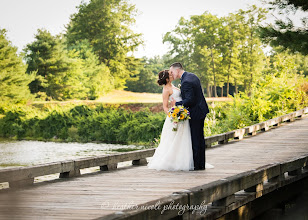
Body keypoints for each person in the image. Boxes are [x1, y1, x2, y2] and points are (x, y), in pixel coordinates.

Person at [147, 69, 213, 171]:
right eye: (170, 74)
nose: (172, 75)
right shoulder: (166, 90)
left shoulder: (175, 86)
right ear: (167, 78)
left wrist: (179, 111)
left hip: (183, 115)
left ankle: (188, 161)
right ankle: (174, 161)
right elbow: (165, 107)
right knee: (174, 139)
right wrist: (173, 116)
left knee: (186, 139)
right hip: (175, 117)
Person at [169, 62, 210, 170]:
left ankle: (197, 166)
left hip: (196, 113)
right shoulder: (192, 76)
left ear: (177, 70)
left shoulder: (186, 81)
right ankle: (201, 164)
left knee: (196, 139)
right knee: (200, 138)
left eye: (172, 72)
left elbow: (190, 100)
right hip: (201, 110)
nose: (171, 74)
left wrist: (176, 104)